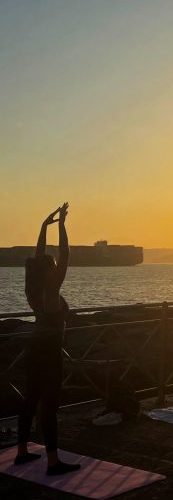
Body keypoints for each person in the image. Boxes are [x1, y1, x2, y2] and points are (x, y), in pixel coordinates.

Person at [15, 203, 81, 475]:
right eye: (53, 267)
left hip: (34, 345)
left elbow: (39, 255)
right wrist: (63, 225)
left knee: (31, 399)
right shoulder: (51, 290)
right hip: (50, 349)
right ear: (49, 271)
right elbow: (64, 255)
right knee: (49, 405)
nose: (57, 268)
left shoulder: (33, 287)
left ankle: (22, 452)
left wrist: (44, 225)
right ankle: (53, 462)